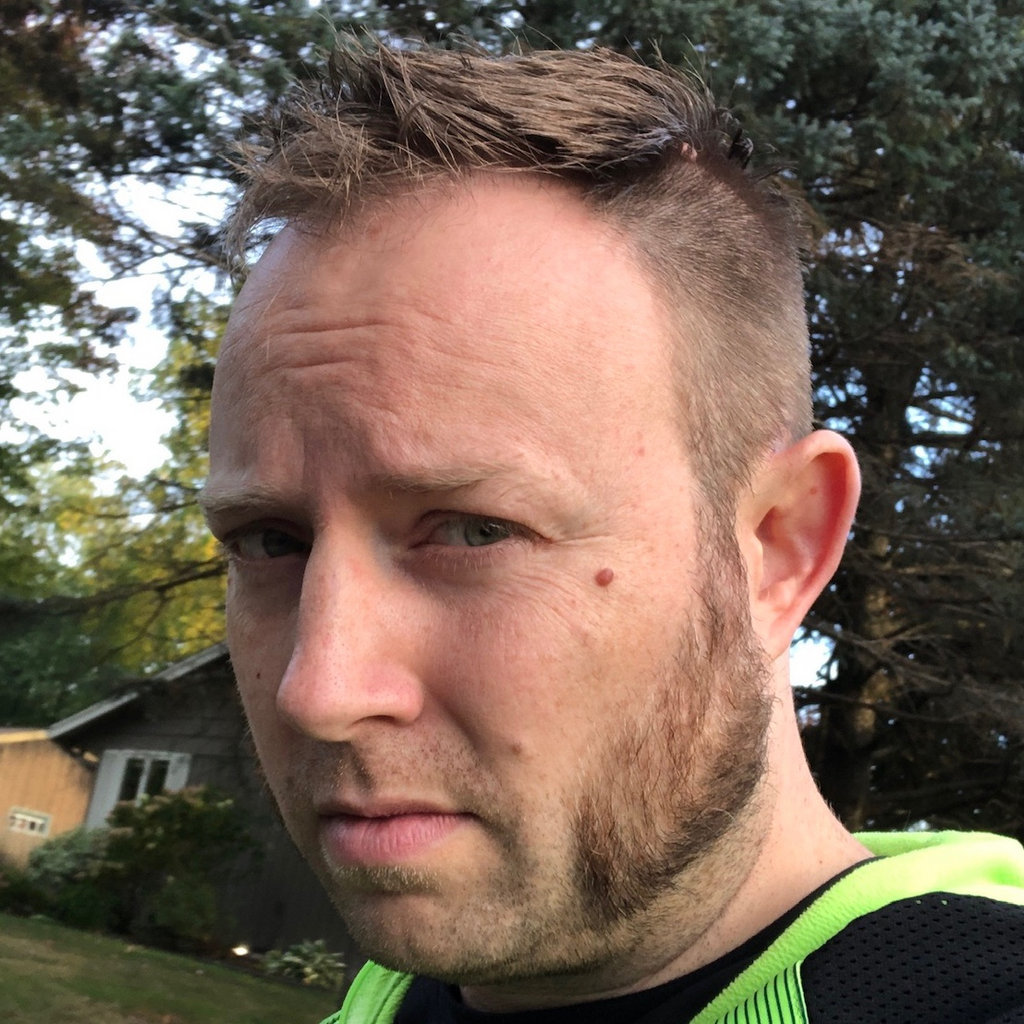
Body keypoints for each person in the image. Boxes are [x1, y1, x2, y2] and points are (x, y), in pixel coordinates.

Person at [202, 41, 1024, 1024]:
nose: (319, 691)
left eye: (473, 531)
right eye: (269, 543)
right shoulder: (393, 998)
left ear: (780, 547)